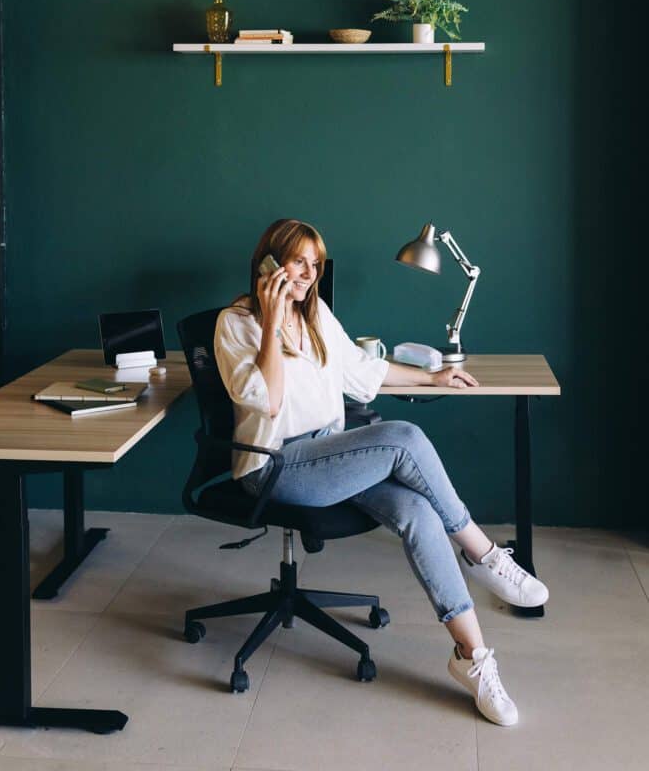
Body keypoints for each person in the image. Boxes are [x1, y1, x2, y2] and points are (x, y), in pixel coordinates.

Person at [214, 218, 549, 727]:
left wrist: (432, 376)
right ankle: (482, 553)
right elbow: (270, 398)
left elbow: (363, 371)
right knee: (404, 438)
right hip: (275, 467)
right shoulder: (235, 324)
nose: (306, 273)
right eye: (296, 261)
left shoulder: (316, 315)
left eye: (314, 263)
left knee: (418, 511)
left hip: (328, 454)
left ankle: (472, 659)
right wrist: (271, 314)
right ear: (270, 262)